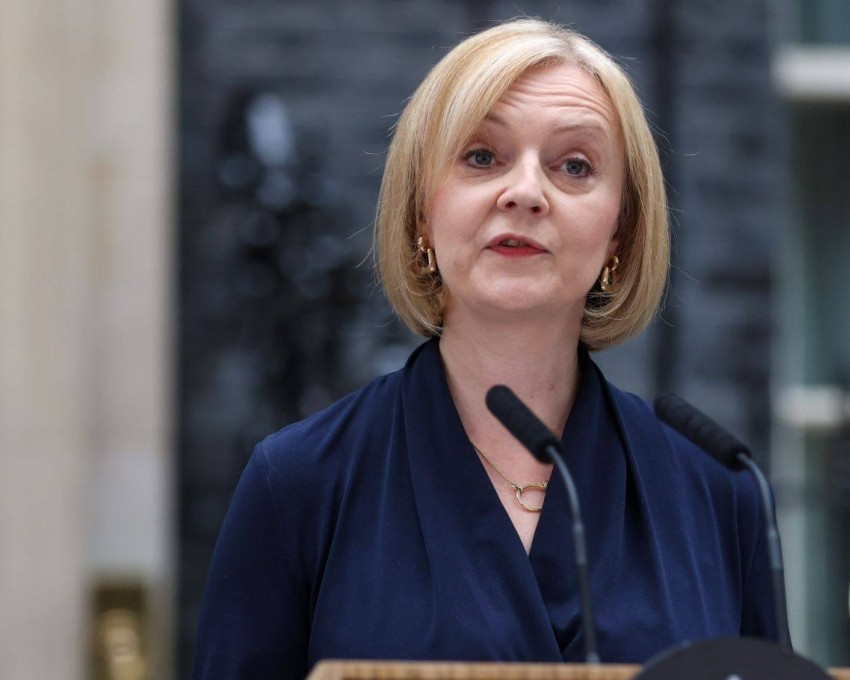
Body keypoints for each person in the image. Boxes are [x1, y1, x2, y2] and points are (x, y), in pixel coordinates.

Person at [193, 18, 780, 679]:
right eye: (481, 157)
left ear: (620, 233)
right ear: (421, 212)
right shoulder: (298, 482)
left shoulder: (718, 492)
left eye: (575, 166)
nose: (525, 192)